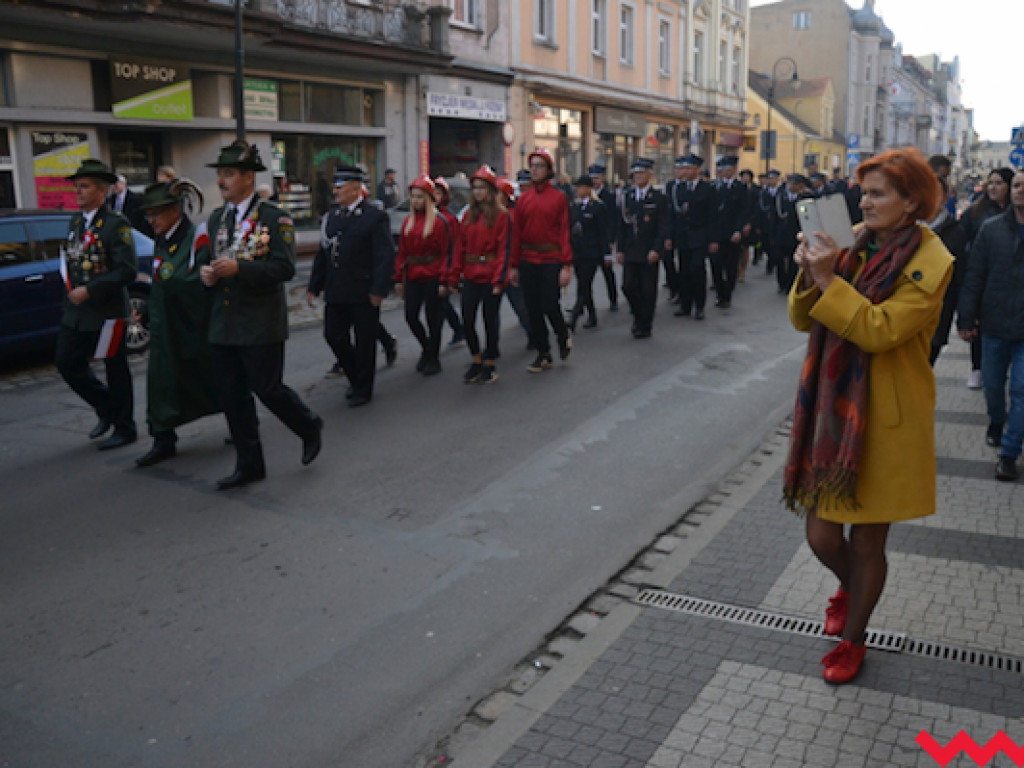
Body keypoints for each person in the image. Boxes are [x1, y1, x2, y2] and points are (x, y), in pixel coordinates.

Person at [785, 147, 953, 684]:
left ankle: (854, 640)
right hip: (836, 414)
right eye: (865, 191)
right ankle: (855, 586)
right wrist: (812, 275)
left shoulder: (933, 259)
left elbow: (879, 330)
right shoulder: (854, 241)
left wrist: (831, 280)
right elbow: (800, 319)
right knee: (822, 538)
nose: (866, 201)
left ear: (912, 202)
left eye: (879, 193)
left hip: (885, 421)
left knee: (868, 544)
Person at [200, 140, 322, 489]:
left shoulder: (273, 216)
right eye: (220, 174)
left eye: (229, 174)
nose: (222, 181)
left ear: (248, 178)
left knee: (267, 389)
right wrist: (207, 274)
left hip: (259, 322)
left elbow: (283, 267)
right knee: (232, 396)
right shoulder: (217, 218)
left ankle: (307, 423)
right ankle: (249, 463)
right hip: (224, 322)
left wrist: (240, 269)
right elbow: (209, 261)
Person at [134, 179, 220, 467]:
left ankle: (240, 419)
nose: (150, 221)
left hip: (190, 325)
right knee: (160, 381)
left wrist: (173, 288)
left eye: (156, 214)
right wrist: (147, 311)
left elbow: (199, 282)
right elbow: (161, 282)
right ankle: (163, 438)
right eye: (148, 215)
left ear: (174, 211)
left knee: (210, 377)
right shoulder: (161, 241)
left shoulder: (197, 238)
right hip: (164, 328)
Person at [56, 158, 139, 450]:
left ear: (102, 190)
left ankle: (125, 427)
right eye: (76, 186)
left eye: (85, 186)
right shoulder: (76, 221)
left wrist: (91, 290)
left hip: (106, 310)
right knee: (66, 362)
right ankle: (106, 407)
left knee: (116, 369)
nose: (78, 191)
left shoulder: (116, 224)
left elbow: (126, 269)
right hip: (78, 311)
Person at [308, 165, 395, 407]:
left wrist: (379, 289)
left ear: (356, 189)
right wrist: (314, 286)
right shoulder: (332, 218)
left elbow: (383, 255)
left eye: (341, 186)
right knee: (333, 335)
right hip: (337, 289)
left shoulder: (374, 216)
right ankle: (356, 376)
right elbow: (323, 254)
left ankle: (363, 388)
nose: (335, 191)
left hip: (362, 290)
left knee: (364, 341)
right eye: (335, 185)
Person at [957, 170, 1024, 481]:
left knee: (1021, 391)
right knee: (993, 386)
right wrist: (966, 318)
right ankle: (997, 421)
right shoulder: (991, 229)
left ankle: (1009, 453)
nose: (1021, 191)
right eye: (1019, 185)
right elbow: (974, 276)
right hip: (994, 324)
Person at [512, 148, 573, 372]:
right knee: (532, 308)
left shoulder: (559, 198)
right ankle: (543, 352)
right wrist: (514, 265)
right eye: (533, 165)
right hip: (528, 258)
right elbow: (517, 233)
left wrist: (566, 264)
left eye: (539, 166)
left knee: (549, 304)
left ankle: (562, 333)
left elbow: (564, 232)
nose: (534, 170)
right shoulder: (523, 200)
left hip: (551, 258)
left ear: (548, 170)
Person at [453, 165, 511, 384]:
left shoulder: (501, 216)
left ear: (490, 190)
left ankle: (490, 363)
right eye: (475, 187)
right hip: (470, 274)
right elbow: (459, 246)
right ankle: (476, 359)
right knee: (467, 321)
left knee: (490, 321)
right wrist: (453, 275)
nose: (477, 192)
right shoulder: (468, 215)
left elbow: (504, 248)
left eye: (482, 187)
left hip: (490, 274)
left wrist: (499, 279)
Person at [960, 167, 1014, 389]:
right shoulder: (975, 213)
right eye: (990, 182)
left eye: (999, 183)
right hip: (982, 277)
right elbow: (961, 244)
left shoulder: (1016, 213)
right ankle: (977, 369)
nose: (993, 187)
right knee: (979, 325)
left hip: (1010, 280)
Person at [394, 174, 451, 376]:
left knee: (433, 318)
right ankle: (427, 348)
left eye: (419, 196)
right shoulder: (408, 222)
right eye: (413, 197)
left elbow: (446, 253)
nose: (416, 200)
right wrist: (397, 278)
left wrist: (444, 280)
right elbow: (402, 252)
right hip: (413, 275)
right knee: (411, 316)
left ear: (427, 198)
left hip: (433, 275)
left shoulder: (439, 222)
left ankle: (433, 356)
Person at [617, 157, 670, 338]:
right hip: (631, 250)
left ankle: (645, 325)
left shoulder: (659, 198)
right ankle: (638, 316)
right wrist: (620, 250)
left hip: (649, 250)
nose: (638, 176)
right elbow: (622, 226)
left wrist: (657, 249)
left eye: (642, 173)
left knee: (648, 291)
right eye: (636, 173)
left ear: (650, 175)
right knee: (628, 286)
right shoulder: (627, 197)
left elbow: (663, 227)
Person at [926, 176, 968, 366]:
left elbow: (960, 278)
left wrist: (965, 316)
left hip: (938, 315)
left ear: (945, 198)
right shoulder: (904, 229)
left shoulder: (955, 232)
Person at [669, 154, 713, 320]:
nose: (685, 171)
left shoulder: (707, 189)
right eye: (684, 168)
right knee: (684, 271)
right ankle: (685, 305)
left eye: (689, 168)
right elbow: (673, 215)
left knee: (697, 270)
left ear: (698, 170)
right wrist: (670, 237)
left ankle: (699, 306)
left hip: (699, 235)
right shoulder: (678, 189)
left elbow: (712, 215)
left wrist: (712, 239)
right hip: (682, 236)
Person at [566, 174, 608, 331]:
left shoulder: (598, 207)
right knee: (583, 285)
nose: (578, 190)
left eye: (581, 187)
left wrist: (606, 253)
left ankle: (573, 318)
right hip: (578, 252)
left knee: (585, 284)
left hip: (592, 252)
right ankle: (592, 315)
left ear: (589, 188)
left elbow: (603, 232)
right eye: (577, 187)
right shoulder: (575, 207)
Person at [709, 155, 748, 309]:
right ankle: (720, 292)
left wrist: (738, 230)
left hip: (732, 233)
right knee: (715, 264)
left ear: (734, 170)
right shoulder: (713, 187)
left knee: (731, 265)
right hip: (716, 233)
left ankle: (727, 294)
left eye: (727, 169)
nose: (724, 172)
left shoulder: (741, 187)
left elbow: (743, 211)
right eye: (721, 169)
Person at [497, 174, 532, 346]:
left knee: (519, 304)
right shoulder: (489, 215)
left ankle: (534, 335)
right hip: (493, 267)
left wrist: (514, 266)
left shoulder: (512, 215)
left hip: (509, 265)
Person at [432, 176, 466, 347]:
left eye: (438, 193)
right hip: (428, 267)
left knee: (441, 304)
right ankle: (458, 328)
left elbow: (454, 246)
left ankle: (458, 329)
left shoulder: (449, 219)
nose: (434, 197)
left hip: (443, 265)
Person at [588, 163, 619, 312]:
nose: (594, 181)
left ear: (603, 178)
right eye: (592, 178)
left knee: (607, 272)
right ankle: (582, 304)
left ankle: (613, 299)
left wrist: (611, 240)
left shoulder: (608, 196)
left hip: (604, 239)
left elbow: (613, 219)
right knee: (586, 277)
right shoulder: (586, 194)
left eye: (597, 177)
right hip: (590, 241)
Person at [772, 174, 811, 294]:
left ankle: (790, 284)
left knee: (793, 261)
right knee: (778, 258)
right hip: (781, 233)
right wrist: (772, 233)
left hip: (796, 233)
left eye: (794, 184)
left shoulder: (806, 198)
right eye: (790, 184)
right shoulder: (781, 196)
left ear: (801, 186)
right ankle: (781, 282)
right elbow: (774, 215)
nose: (791, 186)